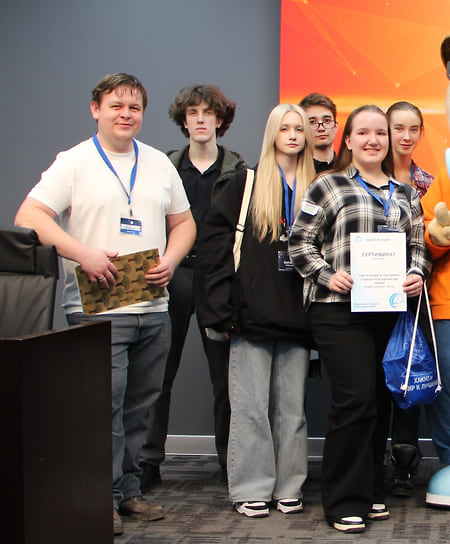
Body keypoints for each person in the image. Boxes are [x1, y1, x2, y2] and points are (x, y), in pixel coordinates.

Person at [14, 73, 195, 535]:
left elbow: (184, 224)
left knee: (139, 407)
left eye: (134, 108)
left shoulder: (158, 163)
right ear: (96, 109)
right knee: (102, 410)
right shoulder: (73, 161)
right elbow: (29, 215)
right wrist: (83, 254)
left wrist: (171, 260)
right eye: (116, 106)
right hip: (97, 308)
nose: (125, 115)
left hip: (152, 307)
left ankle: (128, 491)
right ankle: (101, 498)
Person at [289, 105, 432, 533]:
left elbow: (420, 247)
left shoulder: (406, 194)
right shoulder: (328, 185)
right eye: (363, 133)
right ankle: (343, 500)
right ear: (347, 140)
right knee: (355, 399)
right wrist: (328, 275)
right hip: (337, 308)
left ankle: (371, 489)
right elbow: (299, 243)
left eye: (380, 133)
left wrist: (416, 274)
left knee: (379, 399)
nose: (373, 140)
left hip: (387, 308)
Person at [195, 103, 315, 518]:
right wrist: (218, 309)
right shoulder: (244, 183)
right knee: (249, 409)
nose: (293, 135)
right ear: (272, 134)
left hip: (299, 317)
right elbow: (213, 248)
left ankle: (289, 486)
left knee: (292, 411)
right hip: (250, 315)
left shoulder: (318, 186)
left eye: (299, 128)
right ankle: (251, 487)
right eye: (285, 128)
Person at [140, 84, 245, 490]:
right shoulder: (163, 167)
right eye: (192, 113)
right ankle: (147, 462)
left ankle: (230, 462)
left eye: (208, 113)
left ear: (220, 120)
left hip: (218, 279)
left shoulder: (239, 171)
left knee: (225, 380)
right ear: (183, 121)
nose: (200, 119)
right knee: (158, 375)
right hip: (173, 274)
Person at [385, 100, 435, 497]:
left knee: (408, 374)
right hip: (367, 294)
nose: (406, 136)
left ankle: (404, 463)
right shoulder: (364, 176)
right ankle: (370, 461)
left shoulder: (430, 184)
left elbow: (434, 242)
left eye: (413, 129)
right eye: (398, 128)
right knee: (370, 378)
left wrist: (419, 272)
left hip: (415, 293)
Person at [299, 93, 338, 174]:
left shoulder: (350, 172)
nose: (321, 128)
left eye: (327, 120)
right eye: (312, 122)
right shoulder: (293, 174)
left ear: (335, 126)